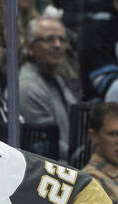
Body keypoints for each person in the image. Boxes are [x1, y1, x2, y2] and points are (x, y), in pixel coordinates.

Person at [18, 15, 78, 150]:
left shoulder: (58, 79)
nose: (57, 45)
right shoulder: (27, 86)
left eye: (62, 40)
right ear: (30, 48)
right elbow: (47, 141)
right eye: (49, 39)